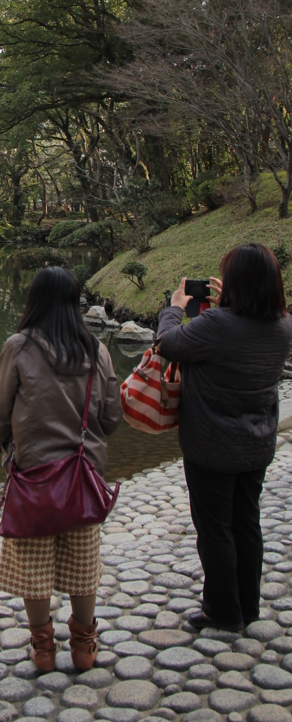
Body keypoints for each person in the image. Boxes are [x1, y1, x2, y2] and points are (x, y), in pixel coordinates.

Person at [0, 267, 122, 672]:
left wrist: (9, 451)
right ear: (74, 303)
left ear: (34, 301)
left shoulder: (19, 347)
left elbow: (0, 414)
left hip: (32, 474)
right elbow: (113, 415)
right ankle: (84, 648)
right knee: (84, 566)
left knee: (32, 567)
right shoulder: (96, 349)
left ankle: (43, 650)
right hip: (83, 475)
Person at [157, 243, 292, 632]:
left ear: (235, 283)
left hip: (212, 445)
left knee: (215, 529)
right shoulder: (283, 324)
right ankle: (247, 606)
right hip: (257, 442)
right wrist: (227, 306)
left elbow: (167, 343)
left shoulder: (216, 326)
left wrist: (176, 307)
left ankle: (222, 611)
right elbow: (238, 338)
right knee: (247, 523)